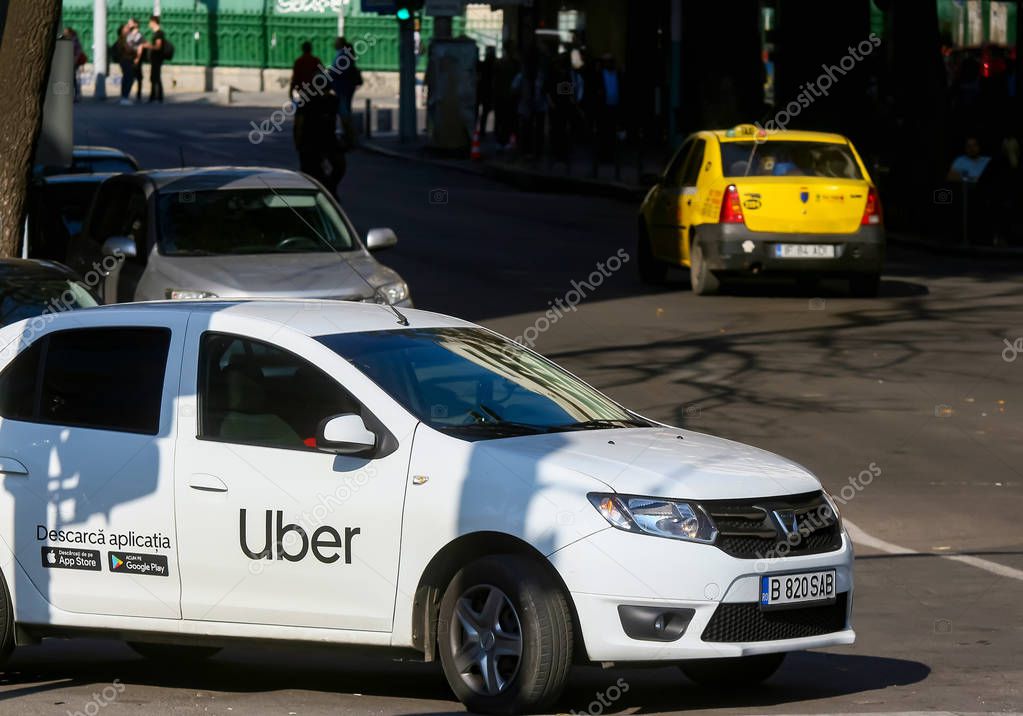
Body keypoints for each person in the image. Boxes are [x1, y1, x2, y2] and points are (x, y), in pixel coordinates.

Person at [296, 90, 346, 198]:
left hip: (320, 141)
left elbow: (298, 123)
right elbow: (345, 118)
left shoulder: (331, 100)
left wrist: (298, 143)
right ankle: (324, 190)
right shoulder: (332, 100)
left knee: (314, 171)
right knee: (314, 171)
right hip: (315, 141)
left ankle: (326, 189)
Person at [330, 37, 363, 148]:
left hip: (343, 87)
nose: (334, 43)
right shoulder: (344, 54)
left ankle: (350, 138)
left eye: (336, 42)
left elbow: (338, 71)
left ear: (340, 44)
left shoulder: (343, 55)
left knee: (344, 112)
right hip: (344, 87)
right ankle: (348, 137)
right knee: (345, 110)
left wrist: (329, 75)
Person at [138, 15, 166, 103]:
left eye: (150, 22)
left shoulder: (158, 33)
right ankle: (155, 96)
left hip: (157, 58)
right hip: (155, 59)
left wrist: (148, 46)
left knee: (155, 77)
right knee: (155, 77)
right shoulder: (156, 33)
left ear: (154, 22)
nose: (149, 24)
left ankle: (156, 97)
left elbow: (158, 46)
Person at [62, 28, 87, 102]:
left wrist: (75, 59)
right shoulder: (64, 39)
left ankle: (74, 95)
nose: (64, 33)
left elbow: (79, 51)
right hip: (65, 62)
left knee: (72, 79)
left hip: (73, 62)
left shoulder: (74, 40)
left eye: (66, 31)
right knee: (67, 79)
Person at [476, 46, 496, 136]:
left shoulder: (483, 64)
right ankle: (482, 131)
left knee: (477, 112)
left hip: (481, 90)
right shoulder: (495, 64)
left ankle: (477, 130)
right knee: (485, 113)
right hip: (488, 91)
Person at [115, 22, 136, 105]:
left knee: (129, 77)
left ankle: (125, 96)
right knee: (128, 77)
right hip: (125, 60)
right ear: (122, 31)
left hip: (128, 59)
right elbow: (128, 49)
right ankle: (124, 97)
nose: (128, 29)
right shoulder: (123, 39)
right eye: (126, 28)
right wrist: (133, 50)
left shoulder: (128, 38)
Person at [126, 18, 145, 103]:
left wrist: (137, 58)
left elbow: (140, 47)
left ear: (135, 24)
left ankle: (138, 95)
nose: (128, 24)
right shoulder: (129, 34)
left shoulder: (138, 35)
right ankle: (126, 94)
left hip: (136, 59)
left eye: (130, 23)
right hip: (129, 58)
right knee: (129, 76)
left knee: (138, 77)